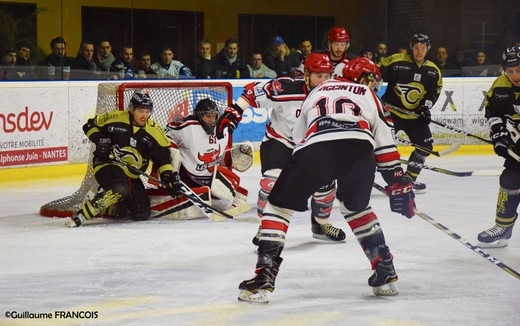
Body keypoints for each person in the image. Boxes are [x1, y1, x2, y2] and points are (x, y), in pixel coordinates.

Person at [237, 57, 415, 303]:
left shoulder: (317, 91)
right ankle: (384, 269)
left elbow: (300, 139)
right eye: (373, 81)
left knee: (278, 206)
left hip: (316, 148)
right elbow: (384, 146)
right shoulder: (368, 94)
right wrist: (398, 181)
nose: (375, 85)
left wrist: (316, 170)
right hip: (360, 149)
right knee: (357, 208)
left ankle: (264, 277)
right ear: (364, 80)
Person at [229, 52, 346, 244]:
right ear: (306, 74)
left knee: (326, 184)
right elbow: (251, 91)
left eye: (327, 76)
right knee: (272, 184)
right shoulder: (286, 87)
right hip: (280, 141)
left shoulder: (335, 93)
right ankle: (265, 226)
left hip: (311, 145)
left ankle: (320, 225)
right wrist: (234, 111)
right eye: (318, 76)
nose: (324, 81)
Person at [66, 91, 177, 227]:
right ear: (132, 109)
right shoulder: (115, 118)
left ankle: (108, 202)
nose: (144, 115)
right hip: (107, 164)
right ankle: (83, 214)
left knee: (141, 212)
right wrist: (99, 139)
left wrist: (167, 176)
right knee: (120, 189)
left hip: (131, 174)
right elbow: (89, 125)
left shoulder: (154, 131)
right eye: (141, 111)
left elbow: (163, 158)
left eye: (148, 111)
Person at [159, 98, 251, 219]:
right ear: (199, 115)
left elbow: (223, 152)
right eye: (208, 116)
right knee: (171, 153)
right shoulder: (187, 127)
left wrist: (231, 157)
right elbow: (165, 141)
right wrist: (171, 170)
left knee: (226, 198)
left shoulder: (222, 126)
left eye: (214, 116)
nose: (212, 120)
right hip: (187, 176)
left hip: (210, 177)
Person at [379, 33, 443, 193]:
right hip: (390, 112)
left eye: (422, 48)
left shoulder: (433, 71)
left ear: (428, 49)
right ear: (411, 48)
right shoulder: (397, 61)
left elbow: (434, 93)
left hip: (414, 115)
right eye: (416, 48)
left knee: (425, 147)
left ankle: (409, 181)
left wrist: (425, 107)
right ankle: (368, 179)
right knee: (382, 148)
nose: (419, 52)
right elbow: (375, 72)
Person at [477, 46, 520, 248]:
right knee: (509, 180)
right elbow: (493, 112)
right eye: (509, 71)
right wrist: (499, 135)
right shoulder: (500, 85)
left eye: (518, 69)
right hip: (517, 143)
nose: (514, 75)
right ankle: (503, 227)